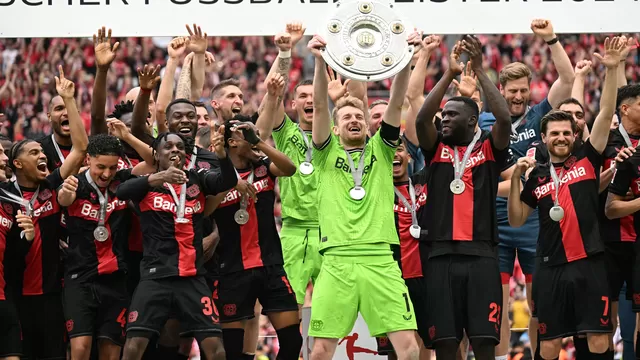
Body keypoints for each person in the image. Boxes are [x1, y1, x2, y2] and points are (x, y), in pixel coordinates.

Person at [507, 36, 624, 360]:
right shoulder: (537, 174)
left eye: (565, 133)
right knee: (549, 345)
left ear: (574, 136)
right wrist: (517, 177)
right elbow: (517, 219)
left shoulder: (589, 158)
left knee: (599, 341)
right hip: (550, 267)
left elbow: (604, 114)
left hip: (590, 263)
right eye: (554, 133)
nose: (560, 137)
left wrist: (612, 71)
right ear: (543, 138)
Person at [306, 31, 420, 360]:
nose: (354, 120)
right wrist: (317, 60)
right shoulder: (326, 155)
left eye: (359, 117)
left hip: (380, 260)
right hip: (336, 261)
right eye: (346, 118)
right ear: (336, 129)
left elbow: (396, 102)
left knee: (410, 349)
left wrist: (406, 56)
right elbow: (318, 106)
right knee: (321, 351)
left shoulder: (382, 151)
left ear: (368, 127)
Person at [476, 20, 575, 358]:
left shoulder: (539, 116)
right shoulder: (485, 121)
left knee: (538, 305)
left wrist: (550, 39)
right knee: (497, 304)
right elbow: (484, 179)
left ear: (529, 89)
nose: (517, 97)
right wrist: (516, 182)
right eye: (511, 91)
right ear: (500, 90)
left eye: (522, 90)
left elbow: (569, 79)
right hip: (496, 224)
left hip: (535, 221)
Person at [415, 35, 512, 360]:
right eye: (444, 115)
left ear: (472, 121)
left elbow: (503, 118)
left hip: (482, 256)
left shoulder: (487, 149)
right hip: (441, 257)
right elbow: (420, 120)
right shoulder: (436, 151)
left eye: (452, 115)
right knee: (445, 344)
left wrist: (481, 72)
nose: (444, 120)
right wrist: (448, 75)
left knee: (484, 343)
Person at [116, 130, 237, 360]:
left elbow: (227, 181)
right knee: (133, 347)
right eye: (169, 147)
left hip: (193, 277)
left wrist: (222, 156)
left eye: (180, 147)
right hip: (155, 277)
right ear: (156, 154)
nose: (175, 151)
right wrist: (156, 178)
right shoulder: (146, 184)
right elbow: (121, 191)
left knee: (217, 349)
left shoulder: (197, 179)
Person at [0, 66, 88, 360]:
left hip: (51, 295)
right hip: (14, 295)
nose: (42, 156)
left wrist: (70, 100)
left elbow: (80, 147)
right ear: (17, 164)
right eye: (34, 153)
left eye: (42, 152)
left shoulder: (50, 187)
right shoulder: (3, 197)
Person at [209, 116, 301, 360]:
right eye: (246, 136)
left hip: (271, 265)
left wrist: (258, 142)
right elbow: (207, 211)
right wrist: (230, 182)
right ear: (232, 143)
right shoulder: (216, 174)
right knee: (232, 351)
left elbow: (290, 168)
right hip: (232, 270)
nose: (252, 139)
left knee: (293, 342)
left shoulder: (263, 167)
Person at [57, 134, 135, 360]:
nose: (106, 174)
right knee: (80, 348)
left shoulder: (123, 181)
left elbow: (151, 163)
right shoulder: (75, 184)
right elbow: (64, 198)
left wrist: (127, 136)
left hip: (116, 278)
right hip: (80, 277)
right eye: (101, 166)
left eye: (112, 167)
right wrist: (67, 191)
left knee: (111, 351)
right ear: (87, 160)